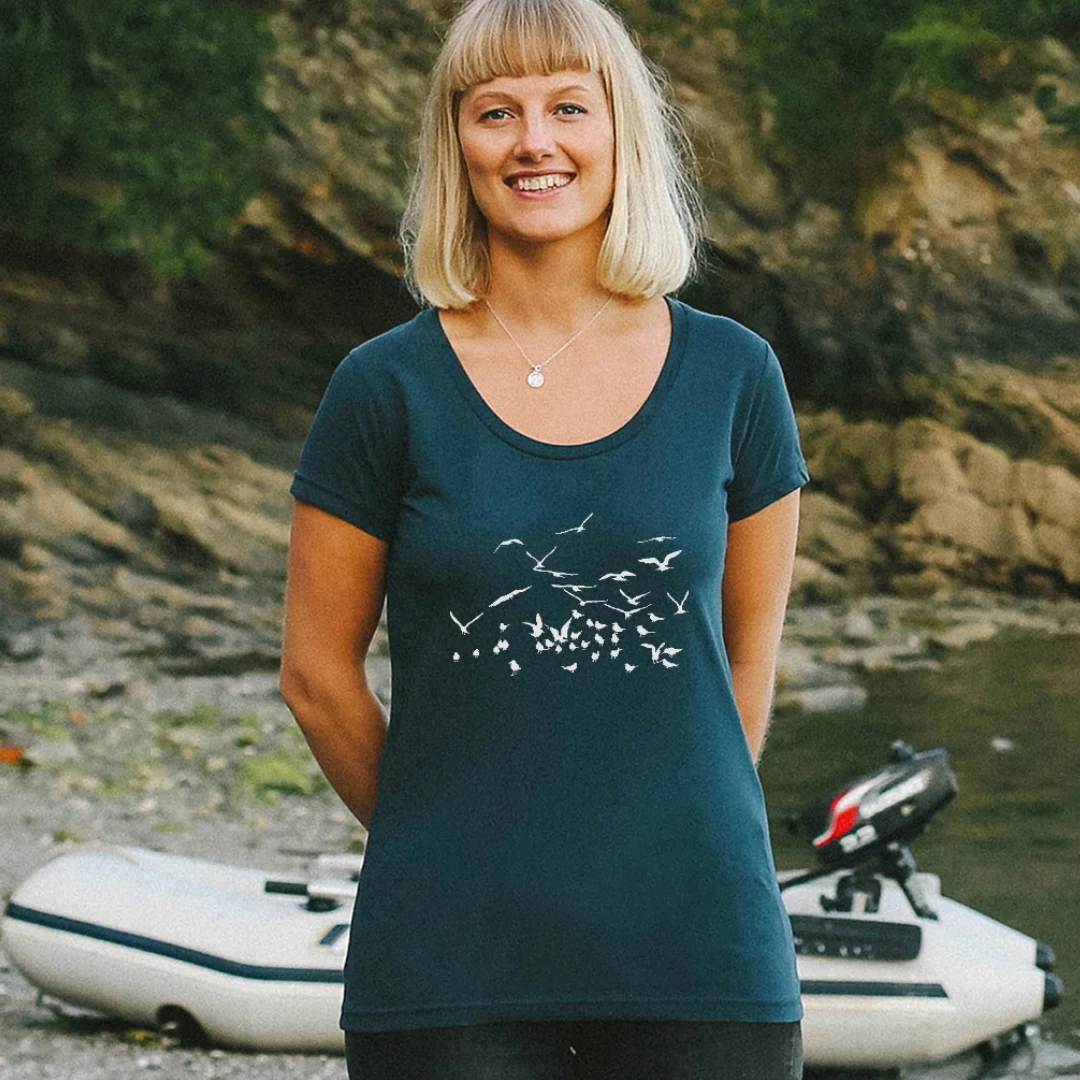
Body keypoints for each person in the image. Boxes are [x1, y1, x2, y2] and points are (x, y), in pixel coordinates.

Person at [279, 0, 810, 1076]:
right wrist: (439, 841)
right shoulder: (382, 388)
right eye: (496, 112)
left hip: (701, 953)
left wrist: (676, 837)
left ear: (621, 133)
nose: (534, 142)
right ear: (457, 143)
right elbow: (316, 676)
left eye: (570, 107)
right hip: (448, 966)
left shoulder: (735, 374)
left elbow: (746, 662)